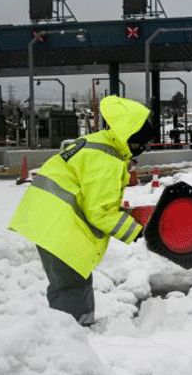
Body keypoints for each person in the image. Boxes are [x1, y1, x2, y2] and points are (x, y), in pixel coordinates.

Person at [8, 95, 154, 326]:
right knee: (71, 285)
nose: (141, 150)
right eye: (139, 144)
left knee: (73, 281)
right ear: (128, 137)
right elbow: (100, 212)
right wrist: (135, 231)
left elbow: (94, 202)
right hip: (59, 225)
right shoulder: (107, 160)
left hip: (50, 220)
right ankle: (72, 335)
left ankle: (74, 330)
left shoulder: (98, 144)